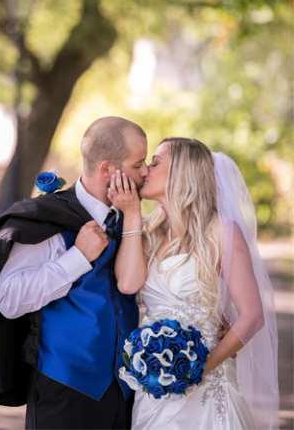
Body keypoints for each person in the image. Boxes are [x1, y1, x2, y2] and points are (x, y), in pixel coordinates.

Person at [0, 116, 151, 430]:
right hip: (65, 389)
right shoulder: (46, 219)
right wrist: (77, 257)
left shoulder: (129, 218)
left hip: (125, 390)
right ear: (107, 170)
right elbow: (8, 299)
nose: (145, 172)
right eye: (138, 164)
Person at [110, 137, 279, 430]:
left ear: (182, 173)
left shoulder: (222, 232)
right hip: (154, 389)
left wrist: (196, 371)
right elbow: (126, 283)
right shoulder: (149, 232)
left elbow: (252, 317)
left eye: (155, 162)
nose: (145, 171)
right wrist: (133, 214)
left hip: (208, 386)